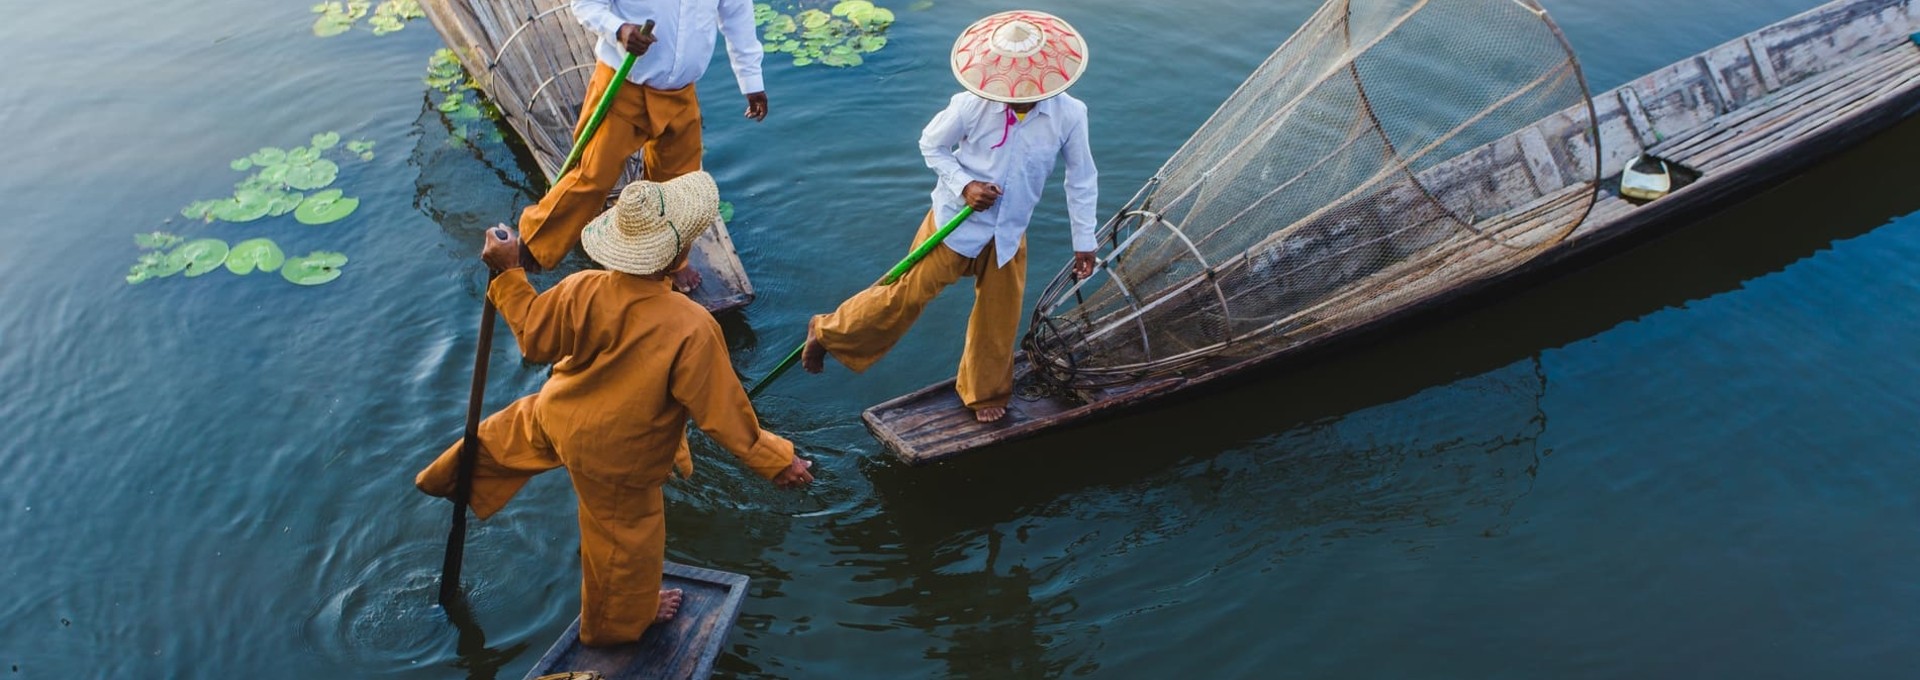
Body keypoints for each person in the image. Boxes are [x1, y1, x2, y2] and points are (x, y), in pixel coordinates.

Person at [415, 171, 814, 646]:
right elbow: (724, 417)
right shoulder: (692, 326)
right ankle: (619, 622)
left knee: (506, 435)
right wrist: (776, 460)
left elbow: (534, 338)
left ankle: (449, 478)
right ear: (678, 256)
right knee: (625, 543)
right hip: (617, 458)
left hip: (557, 414)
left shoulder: (583, 287)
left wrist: (508, 273)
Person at [801, 11, 1098, 423]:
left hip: (1009, 232)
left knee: (999, 317)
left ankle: (983, 391)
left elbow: (1081, 178)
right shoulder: (972, 104)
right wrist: (965, 186)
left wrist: (1085, 240)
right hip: (953, 224)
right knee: (905, 296)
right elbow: (931, 146)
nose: (1015, 94)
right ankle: (827, 331)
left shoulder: (1070, 114)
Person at [517, 0, 771, 293]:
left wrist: (752, 82)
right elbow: (586, 4)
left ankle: (669, 264)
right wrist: (619, 30)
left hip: (681, 94)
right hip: (624, 86)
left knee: (678, 187)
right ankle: (534, 239)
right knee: (593, 175)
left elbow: (738, 16)